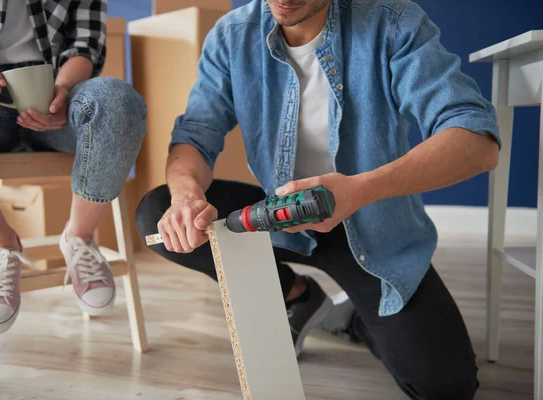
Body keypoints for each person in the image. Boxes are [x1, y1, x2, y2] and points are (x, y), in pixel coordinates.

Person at [136, 0, 500, 398]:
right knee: (159, 212)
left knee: (446, 385)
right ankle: (298, 297)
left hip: (372, 224)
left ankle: (357, 319)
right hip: (280, 217)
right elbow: (193, 136)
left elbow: (476, 141)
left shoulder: (394, 23)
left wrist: (359, 190)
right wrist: (187, 196)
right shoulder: (231, 36)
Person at [0, 0, 146, 334]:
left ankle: (78, 237)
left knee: (118, 100)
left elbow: (85, 46)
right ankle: (2, 244)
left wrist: (63, 90)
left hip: (58, 101)